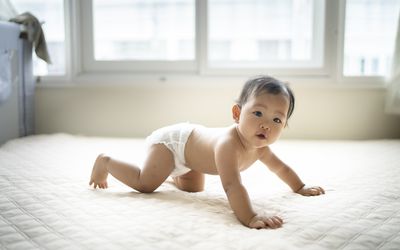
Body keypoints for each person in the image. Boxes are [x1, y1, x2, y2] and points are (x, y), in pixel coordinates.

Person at [89, 75, 325, 229]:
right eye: (257, 113)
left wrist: (300, 187)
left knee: (194, 188)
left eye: (276, 119)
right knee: (146, 184)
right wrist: (250, 216)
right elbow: (232, 185)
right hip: (172, 144)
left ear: (283, 126)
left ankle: (173, 174)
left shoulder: (261, 148)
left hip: (192, 156)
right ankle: (106, 162)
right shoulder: (228, 145)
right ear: (236, 114)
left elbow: (280, 168)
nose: (266, 125)